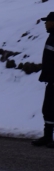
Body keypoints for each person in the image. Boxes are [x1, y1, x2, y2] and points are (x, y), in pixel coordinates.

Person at [32, 12, 54, 147]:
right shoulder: (52, 36)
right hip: (51, 80)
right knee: (48, 109)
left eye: (48, 21)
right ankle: (47, 137)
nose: (45, 24)